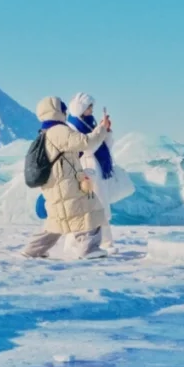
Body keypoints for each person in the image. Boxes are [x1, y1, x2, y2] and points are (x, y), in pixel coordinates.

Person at [23, 96, 112, 259]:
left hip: (57, 183)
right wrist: (102, 129)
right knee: (88, 211)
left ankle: (33, 250)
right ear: (56, 111)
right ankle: (88, 249)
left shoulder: (45, 132)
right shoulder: (59, 130)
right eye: (62, 108)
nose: (65, 111)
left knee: (57, 220)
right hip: (67, 183)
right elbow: (85, 142)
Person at [67, 93, 117, 250]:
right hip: (84, 169)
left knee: (101, 207)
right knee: (83, 208)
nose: (91, 110)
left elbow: (104, 145)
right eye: (89, 107)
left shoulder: (90, 123)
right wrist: (100, 130)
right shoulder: (72, 127)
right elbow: (87, 147)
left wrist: (106, 131)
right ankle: (74, 243)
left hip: (97, 169)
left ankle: (106, 242)